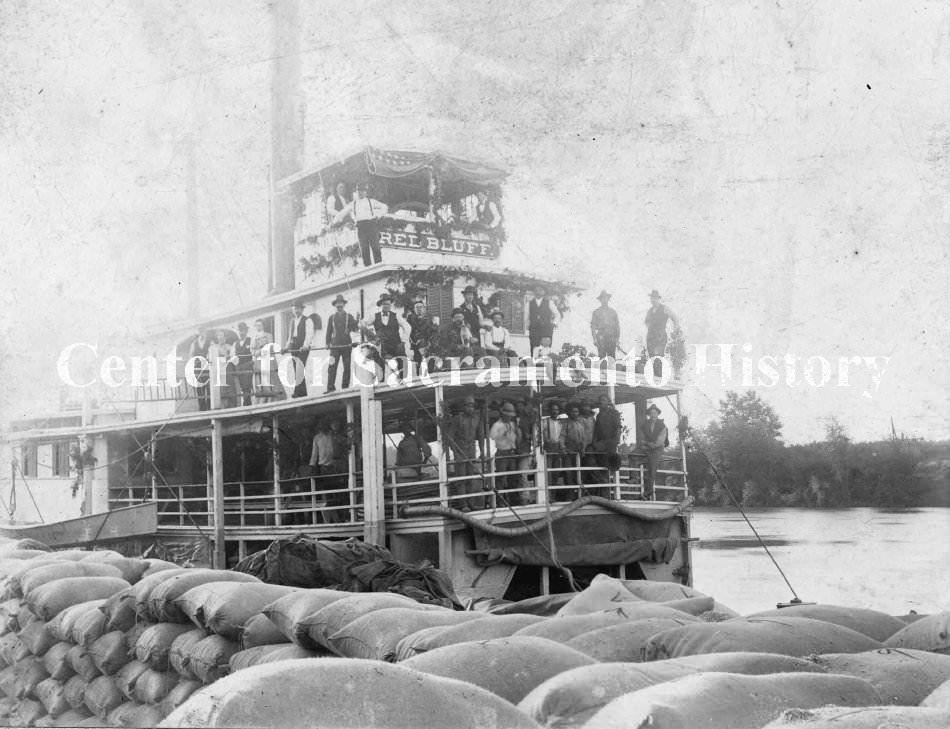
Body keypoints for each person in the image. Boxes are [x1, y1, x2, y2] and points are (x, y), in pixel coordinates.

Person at [443, 396, 485, 511]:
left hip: (471, 451)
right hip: (460, 451)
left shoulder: (477, 419)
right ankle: (463, 505)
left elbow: (481, 436)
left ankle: (470, 503)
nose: (470, 408)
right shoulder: (457, 419)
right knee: (461, 480)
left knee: (470, 479)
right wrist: (456, 452)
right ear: (464, 407)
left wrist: (482, 451)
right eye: (468, 406)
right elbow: (450, 438)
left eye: (472, 406)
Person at [334, 182, 388, 266]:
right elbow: (341, 213)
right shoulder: (353, 204)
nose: (361, 192)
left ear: (366, 192)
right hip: (361, 228)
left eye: (363, 191)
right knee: (364, 250)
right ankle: (368, 269)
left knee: (376, 248)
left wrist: (378, 215)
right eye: (359, 191)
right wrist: (334, 222)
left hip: (371, 226)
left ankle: (379, 267)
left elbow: (384, 207)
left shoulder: (371, 201)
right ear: (357, 192)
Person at [489, 402, 521, 505]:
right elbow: (492, 436)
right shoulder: (497, 425)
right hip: (502, 452)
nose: (509, 418)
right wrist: (502, 434)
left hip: (511, 452)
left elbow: (516, 438)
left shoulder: (512, 424)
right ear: (503, 414)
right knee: (501, 478)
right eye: (508, 416)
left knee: (513, 477)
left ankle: (513, 500)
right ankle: (500, 501)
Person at [325, 294, 359, 393]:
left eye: (341, 304)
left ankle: (345, 388)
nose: (339, 306)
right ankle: (330, 388)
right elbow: (328, 331)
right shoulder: (331, 318)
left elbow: (355, 329)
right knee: (332, 367)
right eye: (337, 304)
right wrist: (327, 343)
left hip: (346, 345)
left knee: (347, 367)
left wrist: (357, 321)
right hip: (334, 346)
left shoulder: (349, 316)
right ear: (335, 305)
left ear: (344, 305)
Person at [372, 292, 408, 379]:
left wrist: (403, 340)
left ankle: (403, 378)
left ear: (390, 305)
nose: (386, 306)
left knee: (401, 352)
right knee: (376, 353)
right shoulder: (374, 316)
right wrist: (372, 337)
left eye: (388, 304)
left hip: (395, 344)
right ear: (381, 305)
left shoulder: (396, 316)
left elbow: (407, 327)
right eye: (384, 304)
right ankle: (380, 380)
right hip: (383, 345)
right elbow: (363, 324)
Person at [592, 394, 622, 494]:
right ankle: (603, 491)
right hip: (601, 444)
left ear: (608, 402)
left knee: (610, 465)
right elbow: (596, 431)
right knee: (600, 465)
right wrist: (595, 442)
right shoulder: (599, 415)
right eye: (600, 400)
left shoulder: (614, 413)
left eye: (604, 400)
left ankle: (608, 493)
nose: (602, 402)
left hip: (611, 443)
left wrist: (615, 441)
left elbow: (618, 427)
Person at [645, 290, 680, 376]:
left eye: (655, 298)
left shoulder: (664, 308)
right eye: (651, 298)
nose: (653, 300)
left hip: (660, 337)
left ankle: (660, 377)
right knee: (652, 357)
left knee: (658, 356)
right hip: (650, 337)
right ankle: (654, 376)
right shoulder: (650, 311)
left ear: (658, 299)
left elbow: (675, 318)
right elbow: (646, 322)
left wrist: (675, 330)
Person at [284, 300, 314, 398]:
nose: (296, 310)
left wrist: (305, 346)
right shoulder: (292, 321)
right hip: (294, 346)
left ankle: (297, 392)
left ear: (302, 309)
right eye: (295, 308)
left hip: (302, 347)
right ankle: (303, 392)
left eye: (298, 308)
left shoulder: (307, 320)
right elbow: (290, 337)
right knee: (296, 369)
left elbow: (309, 334)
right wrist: (286, 347)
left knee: (300, 368)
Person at [639, 403, 669, 499]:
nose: (653, 415)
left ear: (657, 414)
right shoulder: (645, 424)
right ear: (649, 414)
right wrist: (645, 444)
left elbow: (660, 442)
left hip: (656, 450)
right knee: (633, 456)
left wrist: (648, 444)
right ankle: (633, 478)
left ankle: (648, 492)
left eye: (654, 413)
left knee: (652, 470)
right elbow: (642, 438)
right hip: (647, 448)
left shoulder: (662, 425)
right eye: (651, 413)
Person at [562, 403, 588, 496]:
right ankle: (570, 494)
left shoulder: (581, 423)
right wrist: (563, 449)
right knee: (568, 472)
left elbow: (584, 438)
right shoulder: (566, 423)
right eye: (572, 411)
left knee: (580, 473)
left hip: (579, 452)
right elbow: (562, 436)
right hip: (569, 452)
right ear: (569, 412)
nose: (574, 413)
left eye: (576, 411)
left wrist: (583, 448)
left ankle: (580, 494)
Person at [250, 319, 279, 403]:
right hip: (259, 360)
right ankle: (262, 399)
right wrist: (255, 352)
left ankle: (271, 398)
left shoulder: (268, 335)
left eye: (260, 325)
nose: (259, 327)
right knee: (260, 378)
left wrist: (261, 351)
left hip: (267, 359)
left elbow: (270, 346)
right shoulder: (254, 337)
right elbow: (252, 349)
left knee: (269, 377)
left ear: (263, 326)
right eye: (257, 325)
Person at [405, 298, 437, 373]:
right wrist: (413, 341)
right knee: (417, 359)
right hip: (415, 342)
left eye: (421, 307)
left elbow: (432, 330)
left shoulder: (429, 317)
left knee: (430, 357)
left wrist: (429, 341)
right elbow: (408, 330)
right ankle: (418, 374)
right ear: (414, 309)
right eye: (417, 307)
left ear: (423, 309)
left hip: (427, 341)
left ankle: (430, 372)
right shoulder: (410, 318)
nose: (419, 309)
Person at [541, 401, 566, 491]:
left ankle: (554, 492)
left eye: (556, 410)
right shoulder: (544, 421)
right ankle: (548, 493)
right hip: (548, 449)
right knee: (548, 472)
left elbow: (561, 436)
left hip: (557, 449)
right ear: (550, 411)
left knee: (556, 472)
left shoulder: (560, 423)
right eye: (553, 409)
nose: (555, 411)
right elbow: (539, 434)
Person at [528, 285, 559, 354]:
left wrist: (554, 323)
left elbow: (557, 314)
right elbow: (526, 317)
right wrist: (529, 326)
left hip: (546, 330)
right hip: (534, 330)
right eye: (536, 290)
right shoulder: (529, 303)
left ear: (543, 292)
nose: (538, 292)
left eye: (540, 290)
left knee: (545, 350)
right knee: (534, 349)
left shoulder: (549, 302)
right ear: (534, 292)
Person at [591, 290, 621, 359]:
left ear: (608, 299)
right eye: (602, 298)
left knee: (611, 358)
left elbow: (617, 326)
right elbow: (593, 326)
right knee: (602, 358)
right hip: (601, 337)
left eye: (605, 298)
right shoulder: (596, 312)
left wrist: (617, 339)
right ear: (600, 300)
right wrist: (595, 339)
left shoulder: (613, 312)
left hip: (611, 337)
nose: (604, 300)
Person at [230, 322, 254, 406]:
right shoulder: (235, 343)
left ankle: (247, 404)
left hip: (248, 365)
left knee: (247, 386)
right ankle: (246, 404)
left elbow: (253, 353)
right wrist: (235, 362)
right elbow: (232, 356)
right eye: (239, 331)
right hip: (239, 367)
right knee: (242, 387)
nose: (241, 333)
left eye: (243, 330)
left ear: (246, 331)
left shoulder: (251, 340)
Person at [208, 330, 234, 408]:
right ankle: (222, 407)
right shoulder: (214, 347)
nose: (221, 337)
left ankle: (230, 407)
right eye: (219, 335)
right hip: (218, 371)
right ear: (217, 337)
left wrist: (225, 355)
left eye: (222, 335)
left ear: (225, 337)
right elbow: (209, 357)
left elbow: (232, 356)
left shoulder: (229, 347)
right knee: (220, 390)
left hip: (228, 370)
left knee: (229, 388)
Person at [189, 329, 212, 411]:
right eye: (200, 333)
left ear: (205, 333)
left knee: (209, 389)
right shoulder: (194, 344)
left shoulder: (209, 343)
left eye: (203, 333)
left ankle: (209, 408)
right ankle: (202, 409)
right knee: (200, 390)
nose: (201, 335)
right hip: (198, 369)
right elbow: (191, 357)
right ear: (198, 334)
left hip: (207, 369)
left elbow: (211, 354)